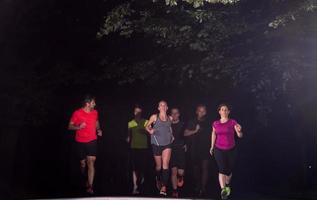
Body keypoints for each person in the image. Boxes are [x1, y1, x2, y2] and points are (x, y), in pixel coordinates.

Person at [68, 95, 102, 194]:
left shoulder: (95, 112)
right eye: (93, 103)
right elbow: (70, 126)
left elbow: (96, 121)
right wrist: (78, 127)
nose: (95, 104)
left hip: (92, 140)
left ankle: (90, 186)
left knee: (91, 162)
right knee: (83, 164)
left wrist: (98, 129)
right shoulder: (77, 113)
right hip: (80, 141)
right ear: (87, 104)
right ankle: (84, 179)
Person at [210, 104, 243, 200]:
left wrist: (240, 131)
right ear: (219, 112)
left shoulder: (233, 122)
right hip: (218, 149)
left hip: (231, 149)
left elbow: (240, 135)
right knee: (222, 169)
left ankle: (227, 184)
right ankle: (223, 191)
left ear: (228, 112)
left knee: (228, 171)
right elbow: (213, 134)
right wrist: (212, 147)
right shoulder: (215, 123)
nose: (224, 111)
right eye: (222, 109)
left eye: (226, 110)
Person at [145, 100, 174, 196]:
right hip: (156, 143)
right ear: (158, 108)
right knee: (159, 166)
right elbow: (146, 126)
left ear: (167, 107)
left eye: (164, 105)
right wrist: (150, 131)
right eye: (161, 105)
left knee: (165, 165)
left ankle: (164, 187)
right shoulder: (154, 117)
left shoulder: (170, 118)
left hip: (167, 144)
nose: (162, 106)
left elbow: (169, 128)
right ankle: (158, 177)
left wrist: (172, 135)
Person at [184, 104, 211, 197]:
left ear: (206, 112)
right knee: (196, 169)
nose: (201, 112)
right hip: (195, 148)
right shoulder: (192, 121)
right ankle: (198, 185)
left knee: (205, 168)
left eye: (203, 111)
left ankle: (203, 188)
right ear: (196, 111)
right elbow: (185, 133)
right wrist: (195, 131)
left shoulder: (209, 122)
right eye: (200, 110)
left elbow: (214, 134)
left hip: (206, 148)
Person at [127, 105, 149, 195]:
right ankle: (135, 187)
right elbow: (129, 134)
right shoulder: (130, 123)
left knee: (142, 168)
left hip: (144, 147)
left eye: (139, 111)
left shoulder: (146, 121)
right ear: (134, 112)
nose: (137, 113)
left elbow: (150, 133)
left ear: (141, 112)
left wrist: (144, 131)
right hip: (134, 147)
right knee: (134, 168)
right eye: (136, 111)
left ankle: (142, 177)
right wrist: (128, 138)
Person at [170, 108, 186, 198]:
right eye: (172, 113)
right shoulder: (168, 125)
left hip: (181, 150)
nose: (174, 115)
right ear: (170, 114)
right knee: (173, 172)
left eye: (176, 113)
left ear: (179, 114)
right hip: (171, 150)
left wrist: (186, 144)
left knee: (180, 172)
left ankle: (181, 177)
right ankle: (175, 191)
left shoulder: (183, 124)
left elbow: (187, 135)